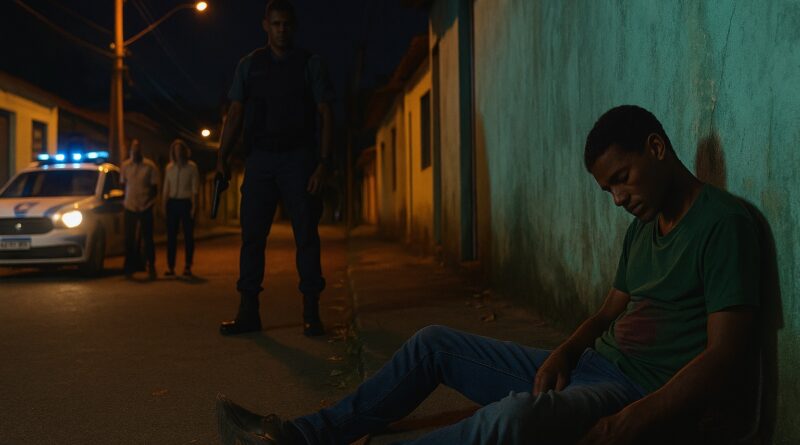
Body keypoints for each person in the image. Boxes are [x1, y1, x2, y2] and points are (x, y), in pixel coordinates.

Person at [215, 105, 761, 445]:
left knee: (510, 421)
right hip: (593, 368)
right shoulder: (643, 227)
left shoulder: (723, 224)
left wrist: (628, 422)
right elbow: (607, 312)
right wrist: (565, 351)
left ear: (657, 148)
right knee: (433, 343)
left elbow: (725, 356)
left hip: (636, 392)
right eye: (608, 190)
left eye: (623, 178)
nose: (618, 198)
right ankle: (301, 436)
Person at [215, 0, 334, 337]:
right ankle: (248, 312)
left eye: (287, 24)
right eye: (276, 24)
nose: (282, 30)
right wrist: (222, 157)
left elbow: (326, 114)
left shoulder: (310, 64)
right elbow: (235, 113)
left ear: (294, 26)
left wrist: (323, 165)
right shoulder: (249, 65)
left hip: (299, 158)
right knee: (252, 237)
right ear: (265, 25)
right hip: (260, 160)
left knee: (306, 236)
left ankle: (311, 312)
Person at [121, 138, 160, 280]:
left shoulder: (150, 166)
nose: (135, 150)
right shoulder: (125, 166)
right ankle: (129, 267)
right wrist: (125, 201)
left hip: (145, 206)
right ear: (130, 150)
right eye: (133, 148)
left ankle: (151, 265)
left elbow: (154, 188)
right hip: (130, 206)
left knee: (148, 238)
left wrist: (150, 203)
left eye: (138, 148)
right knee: (129, 239)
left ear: (141, 150)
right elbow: (123, 185)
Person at [162, 139, 200, 277]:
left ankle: (188, 266)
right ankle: (170, 266)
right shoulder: (169, 168)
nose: (178, 152)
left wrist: (194, 207)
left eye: (180, 150)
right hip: (172, 203)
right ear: (173, 152)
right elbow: (166, 188)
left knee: (188, 236)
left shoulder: (192, 167)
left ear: (184, 151)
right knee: (171, 236)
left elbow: (195, 189)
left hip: (185, 203)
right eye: (175, 150)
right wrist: (163, 205)